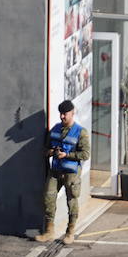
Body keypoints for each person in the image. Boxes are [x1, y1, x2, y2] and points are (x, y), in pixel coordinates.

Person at [36, 99, 89, 242]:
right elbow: (45, 149)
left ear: (72, 113)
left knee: (71, 201)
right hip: (56, 171)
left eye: (65, 114)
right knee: (48, 198)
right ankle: (49, 231)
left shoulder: (80, 132)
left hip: (71, 173)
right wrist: (51, 152)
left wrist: (67, 155)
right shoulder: (55, 129)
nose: (62, 117)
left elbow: (85, 154)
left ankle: (70, 232)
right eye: (60, 114)